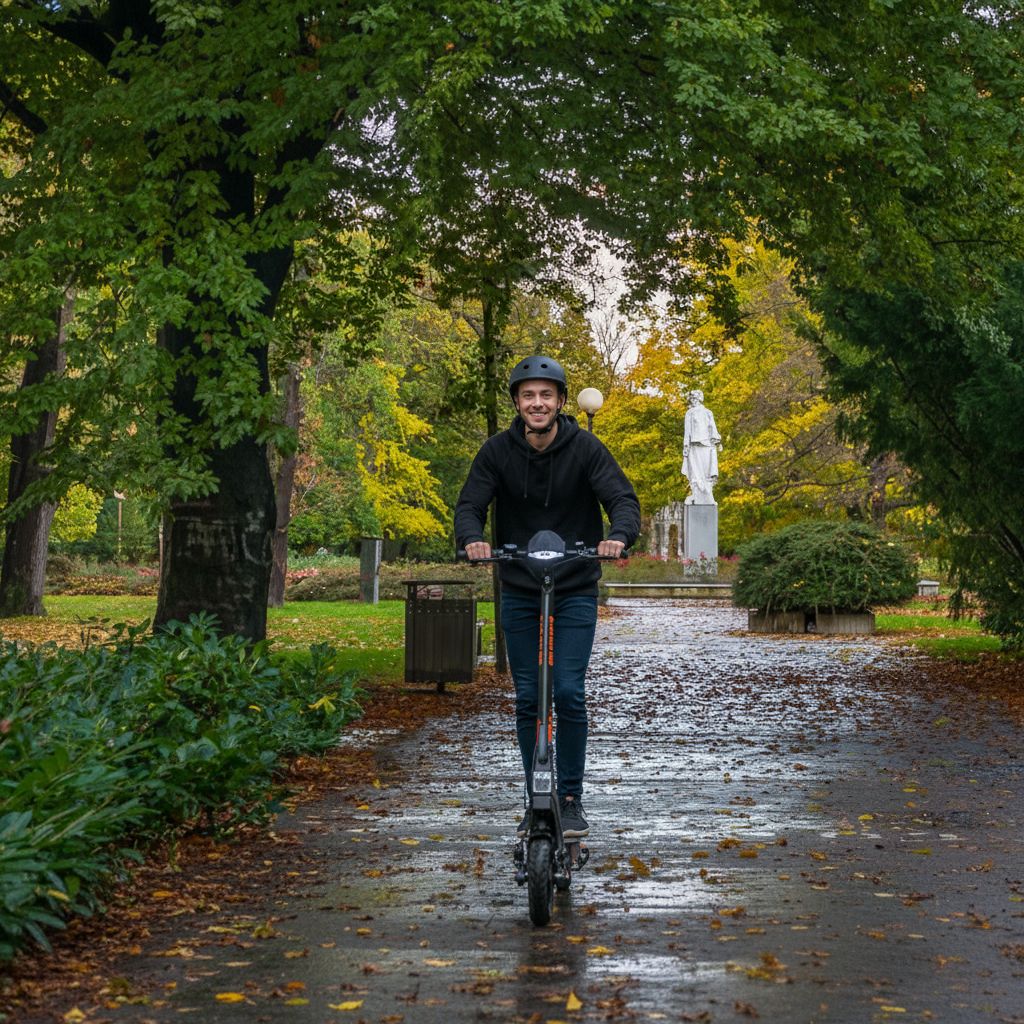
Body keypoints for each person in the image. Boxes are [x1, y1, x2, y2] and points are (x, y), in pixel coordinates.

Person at [454, 355, 640, 839]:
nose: (537, 403)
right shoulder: (496, 452)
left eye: (546, 395)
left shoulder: (586, 448)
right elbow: (470, 505)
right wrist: (472, 538)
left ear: (559, 401)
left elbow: (622, 500)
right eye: (528, 395)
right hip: (518, 586)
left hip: (575, 584)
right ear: (517, 402)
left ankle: (571, 798)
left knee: (567, 691)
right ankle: (537, 796)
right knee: (528, 697)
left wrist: (618, 535)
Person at [681, 389, 722, 504]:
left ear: (699, 399)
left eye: (694, 398)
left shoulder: (707, 412)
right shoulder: (690, 413)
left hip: (706, 446)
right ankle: (697, 495)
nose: (693, 401)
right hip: (695, 446)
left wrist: (716, 441)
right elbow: (687, 431)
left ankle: (707, 496)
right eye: (692, 399)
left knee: (707, 472)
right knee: (695, 472)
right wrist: (686, 446)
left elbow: (713, 428)